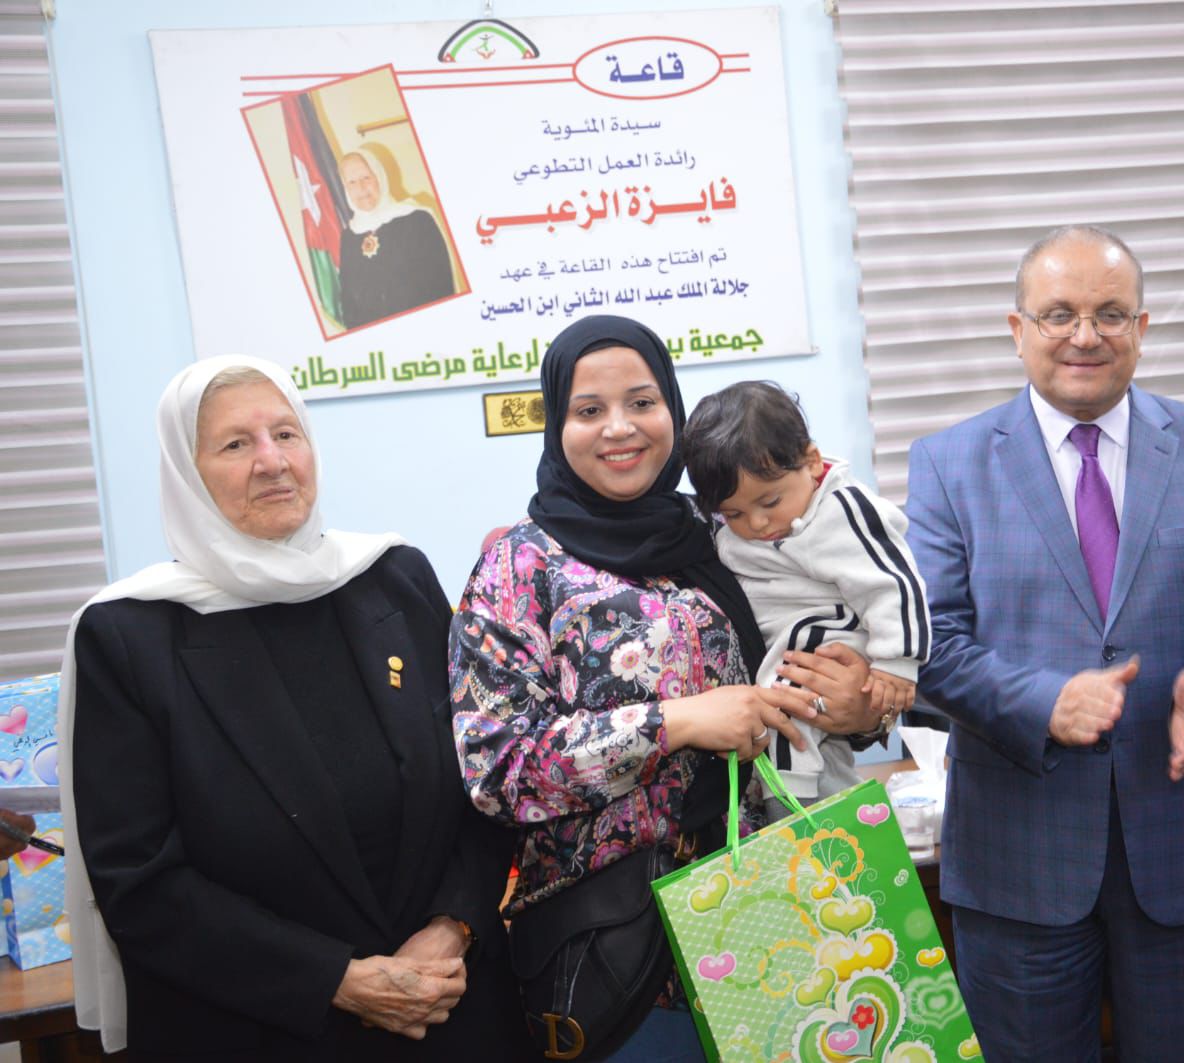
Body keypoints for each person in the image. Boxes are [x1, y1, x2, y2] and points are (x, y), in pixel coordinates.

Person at [905, 224, 1184, 1061]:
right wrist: (1047, 702)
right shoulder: (947, 463)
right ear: (1018, 329)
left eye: (1110, 313)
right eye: (1059, 314)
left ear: (1141, 328)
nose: (1085, 335)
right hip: (1018, 858)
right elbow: (931, 645)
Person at [62, 356, 524, 1060]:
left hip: (450, 1011)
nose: (272, 461)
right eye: (235, 443)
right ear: (185, 472)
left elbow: (481, 777)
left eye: (286, 433)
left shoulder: (394, 577)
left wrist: (452, 926)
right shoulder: (129, 635)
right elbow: (139, 881)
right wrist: (337, 980)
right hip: (259, 1029)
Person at [449, 315, 881, 1060]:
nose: (620, 427)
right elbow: (497, 770)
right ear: (557, 425)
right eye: (589, 409)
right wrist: (676, 722)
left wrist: (857, 707)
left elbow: (826, 641)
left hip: (779, 914)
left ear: (673, 411)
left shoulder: (727, 530)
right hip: (621, 953)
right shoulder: (519, 568)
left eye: (642, 402)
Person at [681, 380, 930, 813]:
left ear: (812, 462)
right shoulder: (721, 529)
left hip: (828, 631)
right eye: (734, 513)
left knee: (782, 710)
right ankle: (836, 818)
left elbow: (895, 582)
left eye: (770, 501)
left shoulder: (841, 510)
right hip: (789, 641)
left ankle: (791, 808)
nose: (757, 524)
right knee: (812, 742)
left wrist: (898, 663)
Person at [336, 147, 455, 330]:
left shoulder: (417, 219)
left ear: (380, 176)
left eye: (366, 177)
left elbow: (441, 285)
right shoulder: (349, 237)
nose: (360, 188)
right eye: (351, 182)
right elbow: (348, 302)